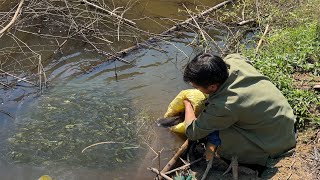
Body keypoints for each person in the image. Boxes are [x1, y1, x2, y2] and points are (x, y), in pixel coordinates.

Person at [182, 53, 296, 170]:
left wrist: (187, 103)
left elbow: (192, 132)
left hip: (275, 143)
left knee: (218, 131)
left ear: (212, 87)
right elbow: (239, 56)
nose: (195, 89)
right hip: (286, 120)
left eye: (196, 87)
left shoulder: (225, 106)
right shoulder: (234, 61)